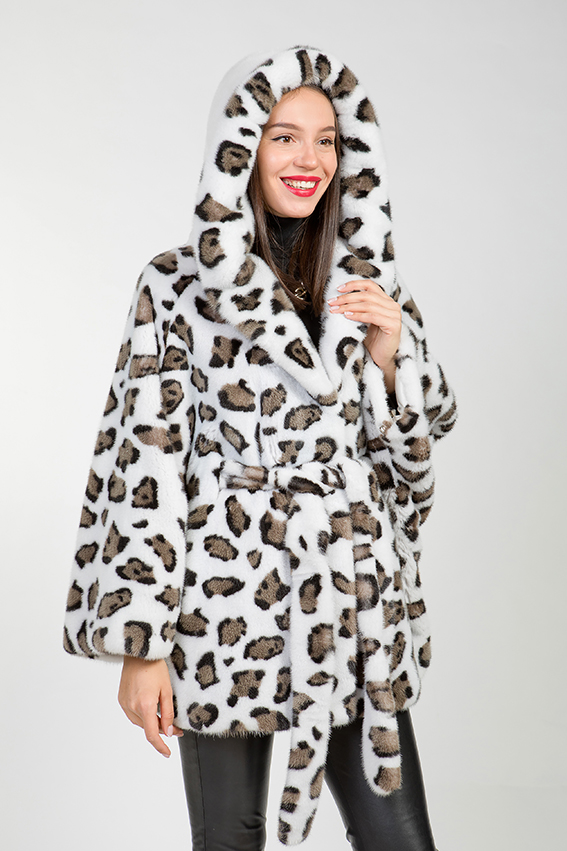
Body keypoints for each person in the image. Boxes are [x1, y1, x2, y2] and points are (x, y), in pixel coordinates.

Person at [64, 46, 456, 851]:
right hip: (223, 607)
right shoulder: (175, 285)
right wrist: (142, 646)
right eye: (283, 137)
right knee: (229, 840)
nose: (309, 159)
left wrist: (391, 360)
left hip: (349, 606)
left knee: (398, 838)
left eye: (326, 139)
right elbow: (144, 461)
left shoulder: (371, 288)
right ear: (238, 147)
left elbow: (409, 479)